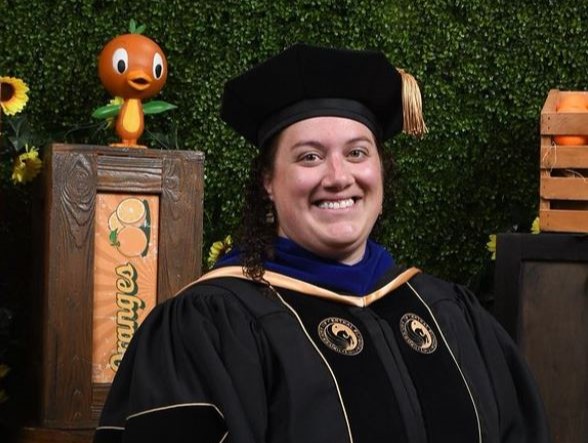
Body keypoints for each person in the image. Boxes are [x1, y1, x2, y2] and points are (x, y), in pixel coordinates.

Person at [94, 44, 551, 443]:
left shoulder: (449, 313)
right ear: (269, 183)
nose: (338, 177)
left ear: (380, 171)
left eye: (357, 152)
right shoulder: (210, 326)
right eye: (310, 157)